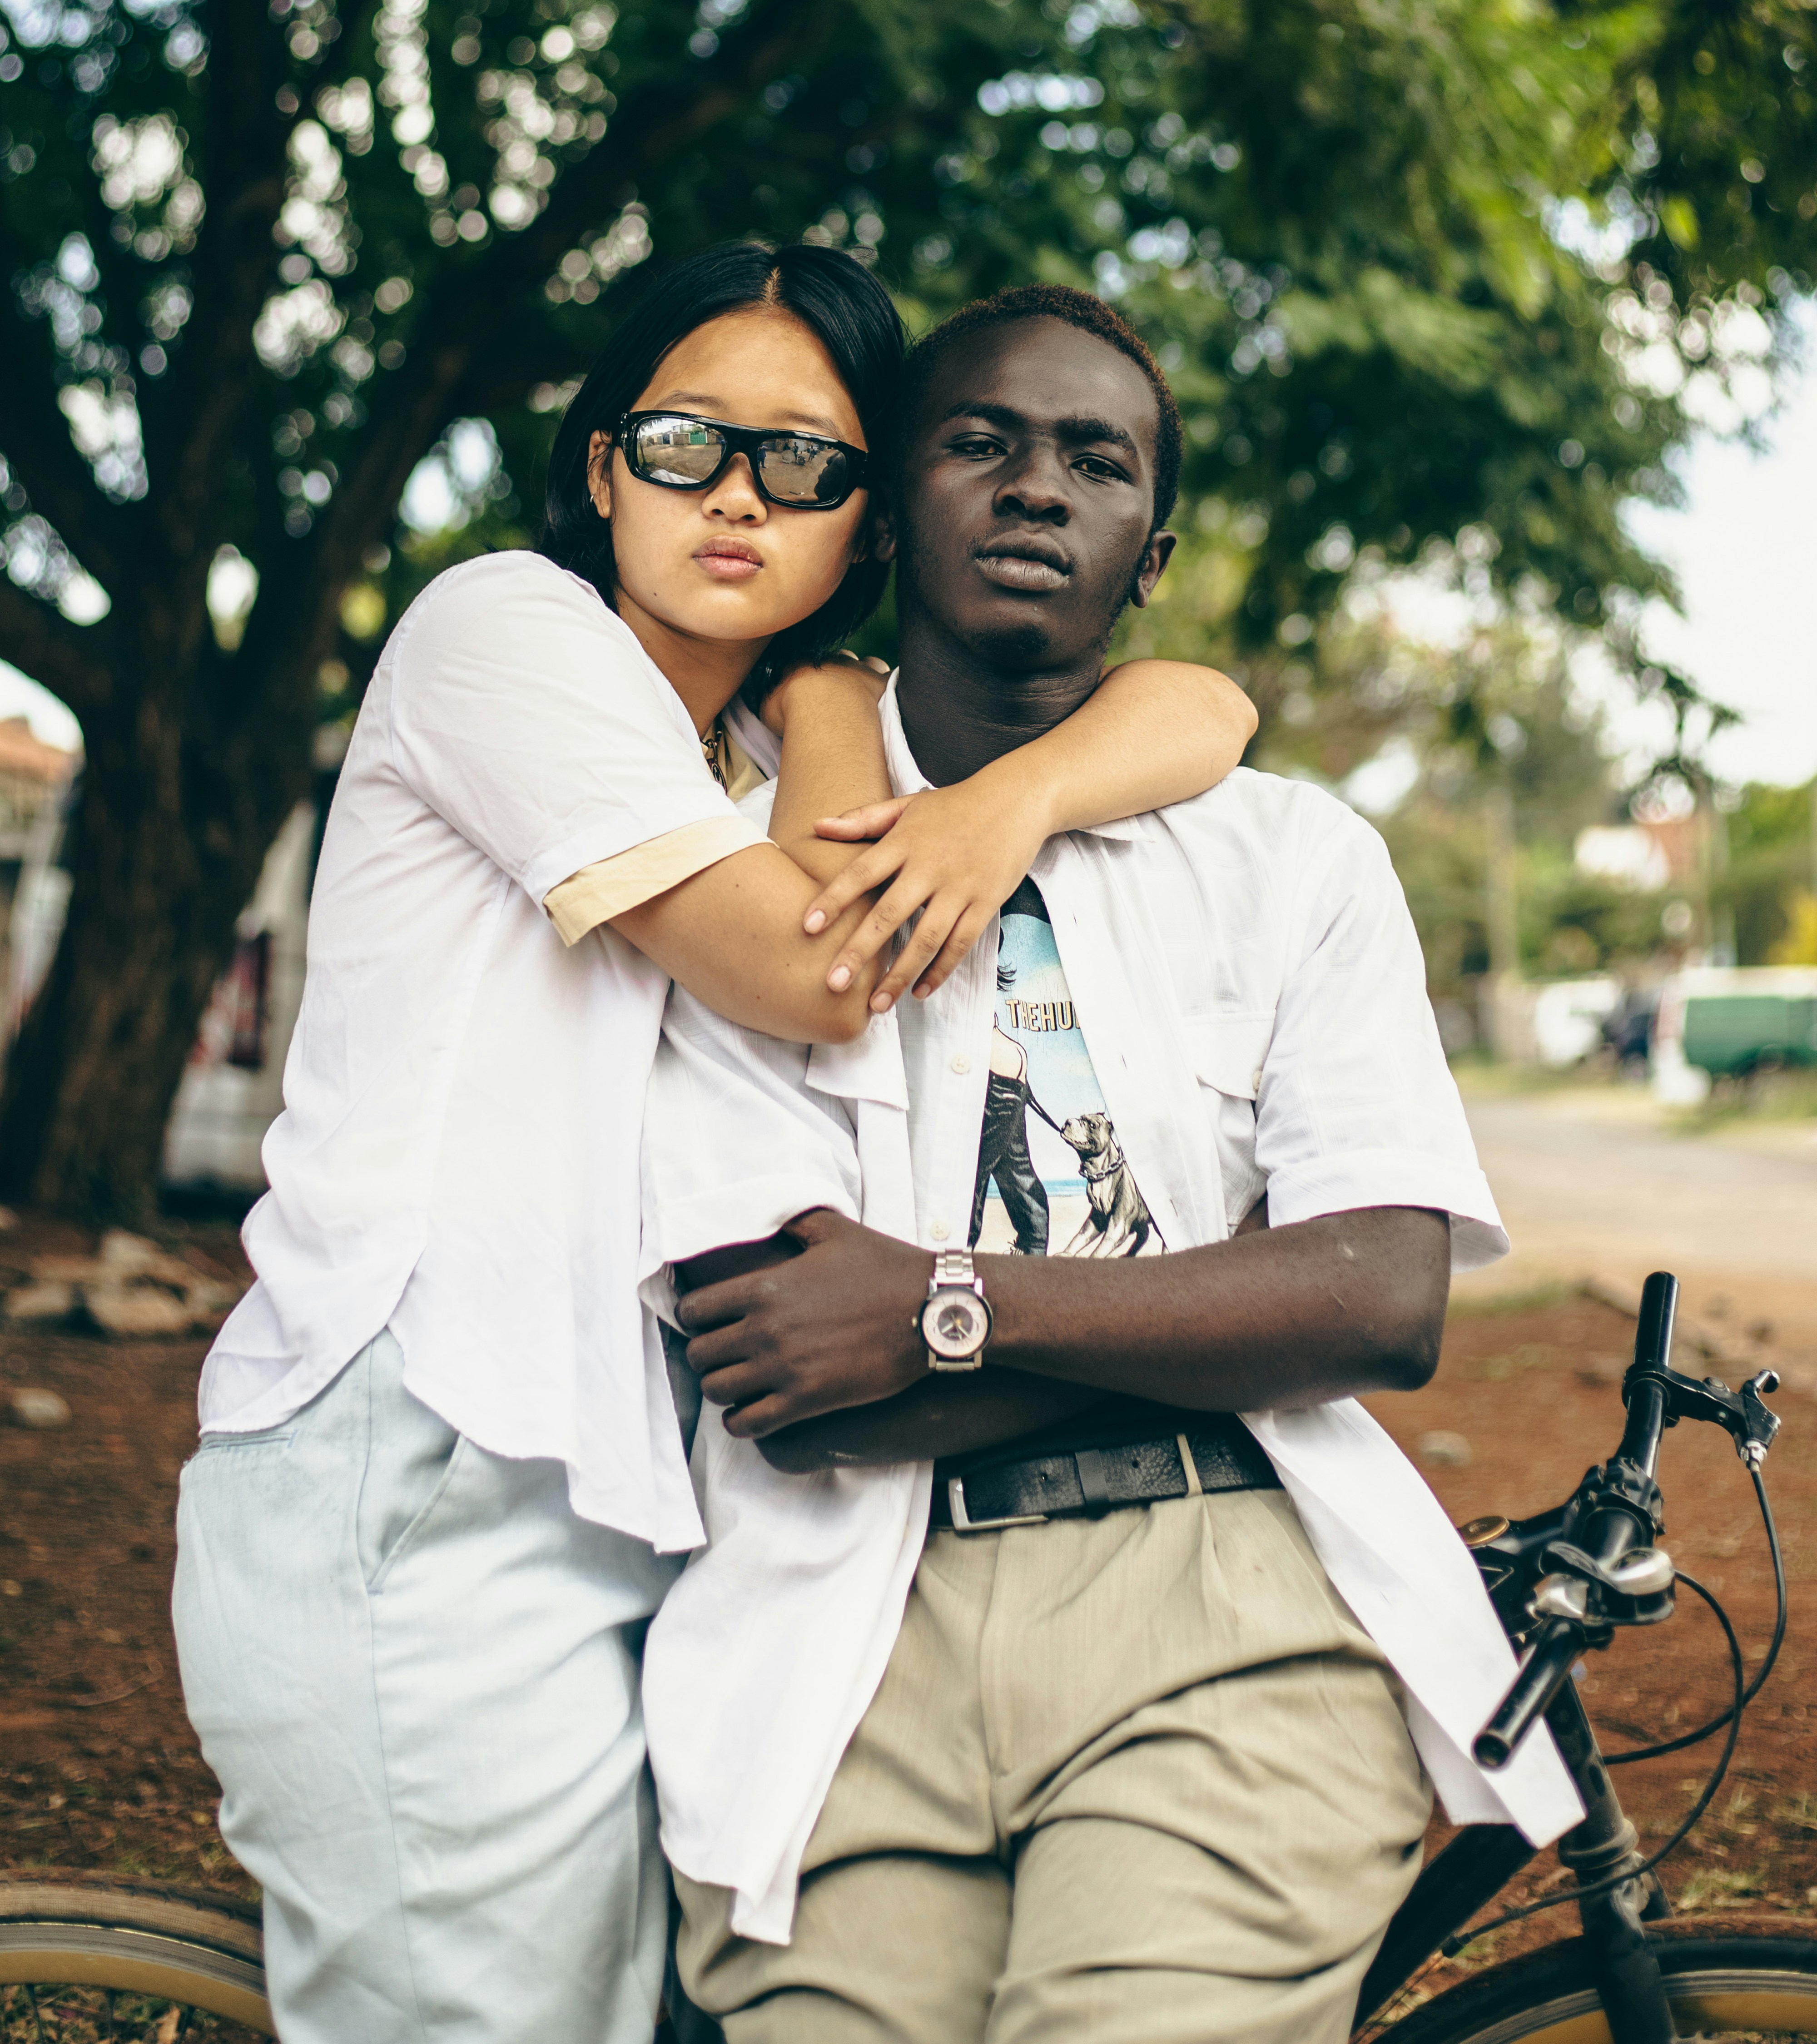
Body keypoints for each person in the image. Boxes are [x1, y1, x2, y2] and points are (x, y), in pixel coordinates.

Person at [172, 243, 1258, 2044]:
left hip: (656, 1506)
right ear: (600, 463)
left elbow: (1202, 709)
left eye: (810, 463)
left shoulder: (753, 732)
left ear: (871, 519)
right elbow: (822, 967)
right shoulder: (503, 633)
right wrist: (862, 726)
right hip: (421, 1461)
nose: (739, 495)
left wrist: (1008, 788)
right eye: (683, 444)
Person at [664, 285, 1582, 2044]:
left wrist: (934, 1308)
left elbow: (1378, 1298)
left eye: (1093, 462)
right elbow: (783, 1365)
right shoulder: (745, 866)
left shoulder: (1291, 861)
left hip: (1216, 1614)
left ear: (1147, 556)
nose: (1034, 489)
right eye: (980, 444)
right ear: (887, 509)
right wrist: (1214, 1321)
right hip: (834, 1656)